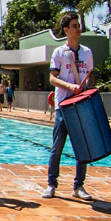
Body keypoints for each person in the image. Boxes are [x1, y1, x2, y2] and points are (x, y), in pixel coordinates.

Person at [41, 12, 94, 200]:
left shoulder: (87, 52)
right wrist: (70, 87)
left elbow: (91, 77)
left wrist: (88, 91)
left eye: (78, 25)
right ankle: (51, 184)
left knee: (82, 147)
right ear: (66, 30)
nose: (78, 29)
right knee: (57, 147)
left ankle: (79, 186)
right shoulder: (59, 52)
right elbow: (52, 78)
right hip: (63, 107)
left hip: (81, 106)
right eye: (74, 26)